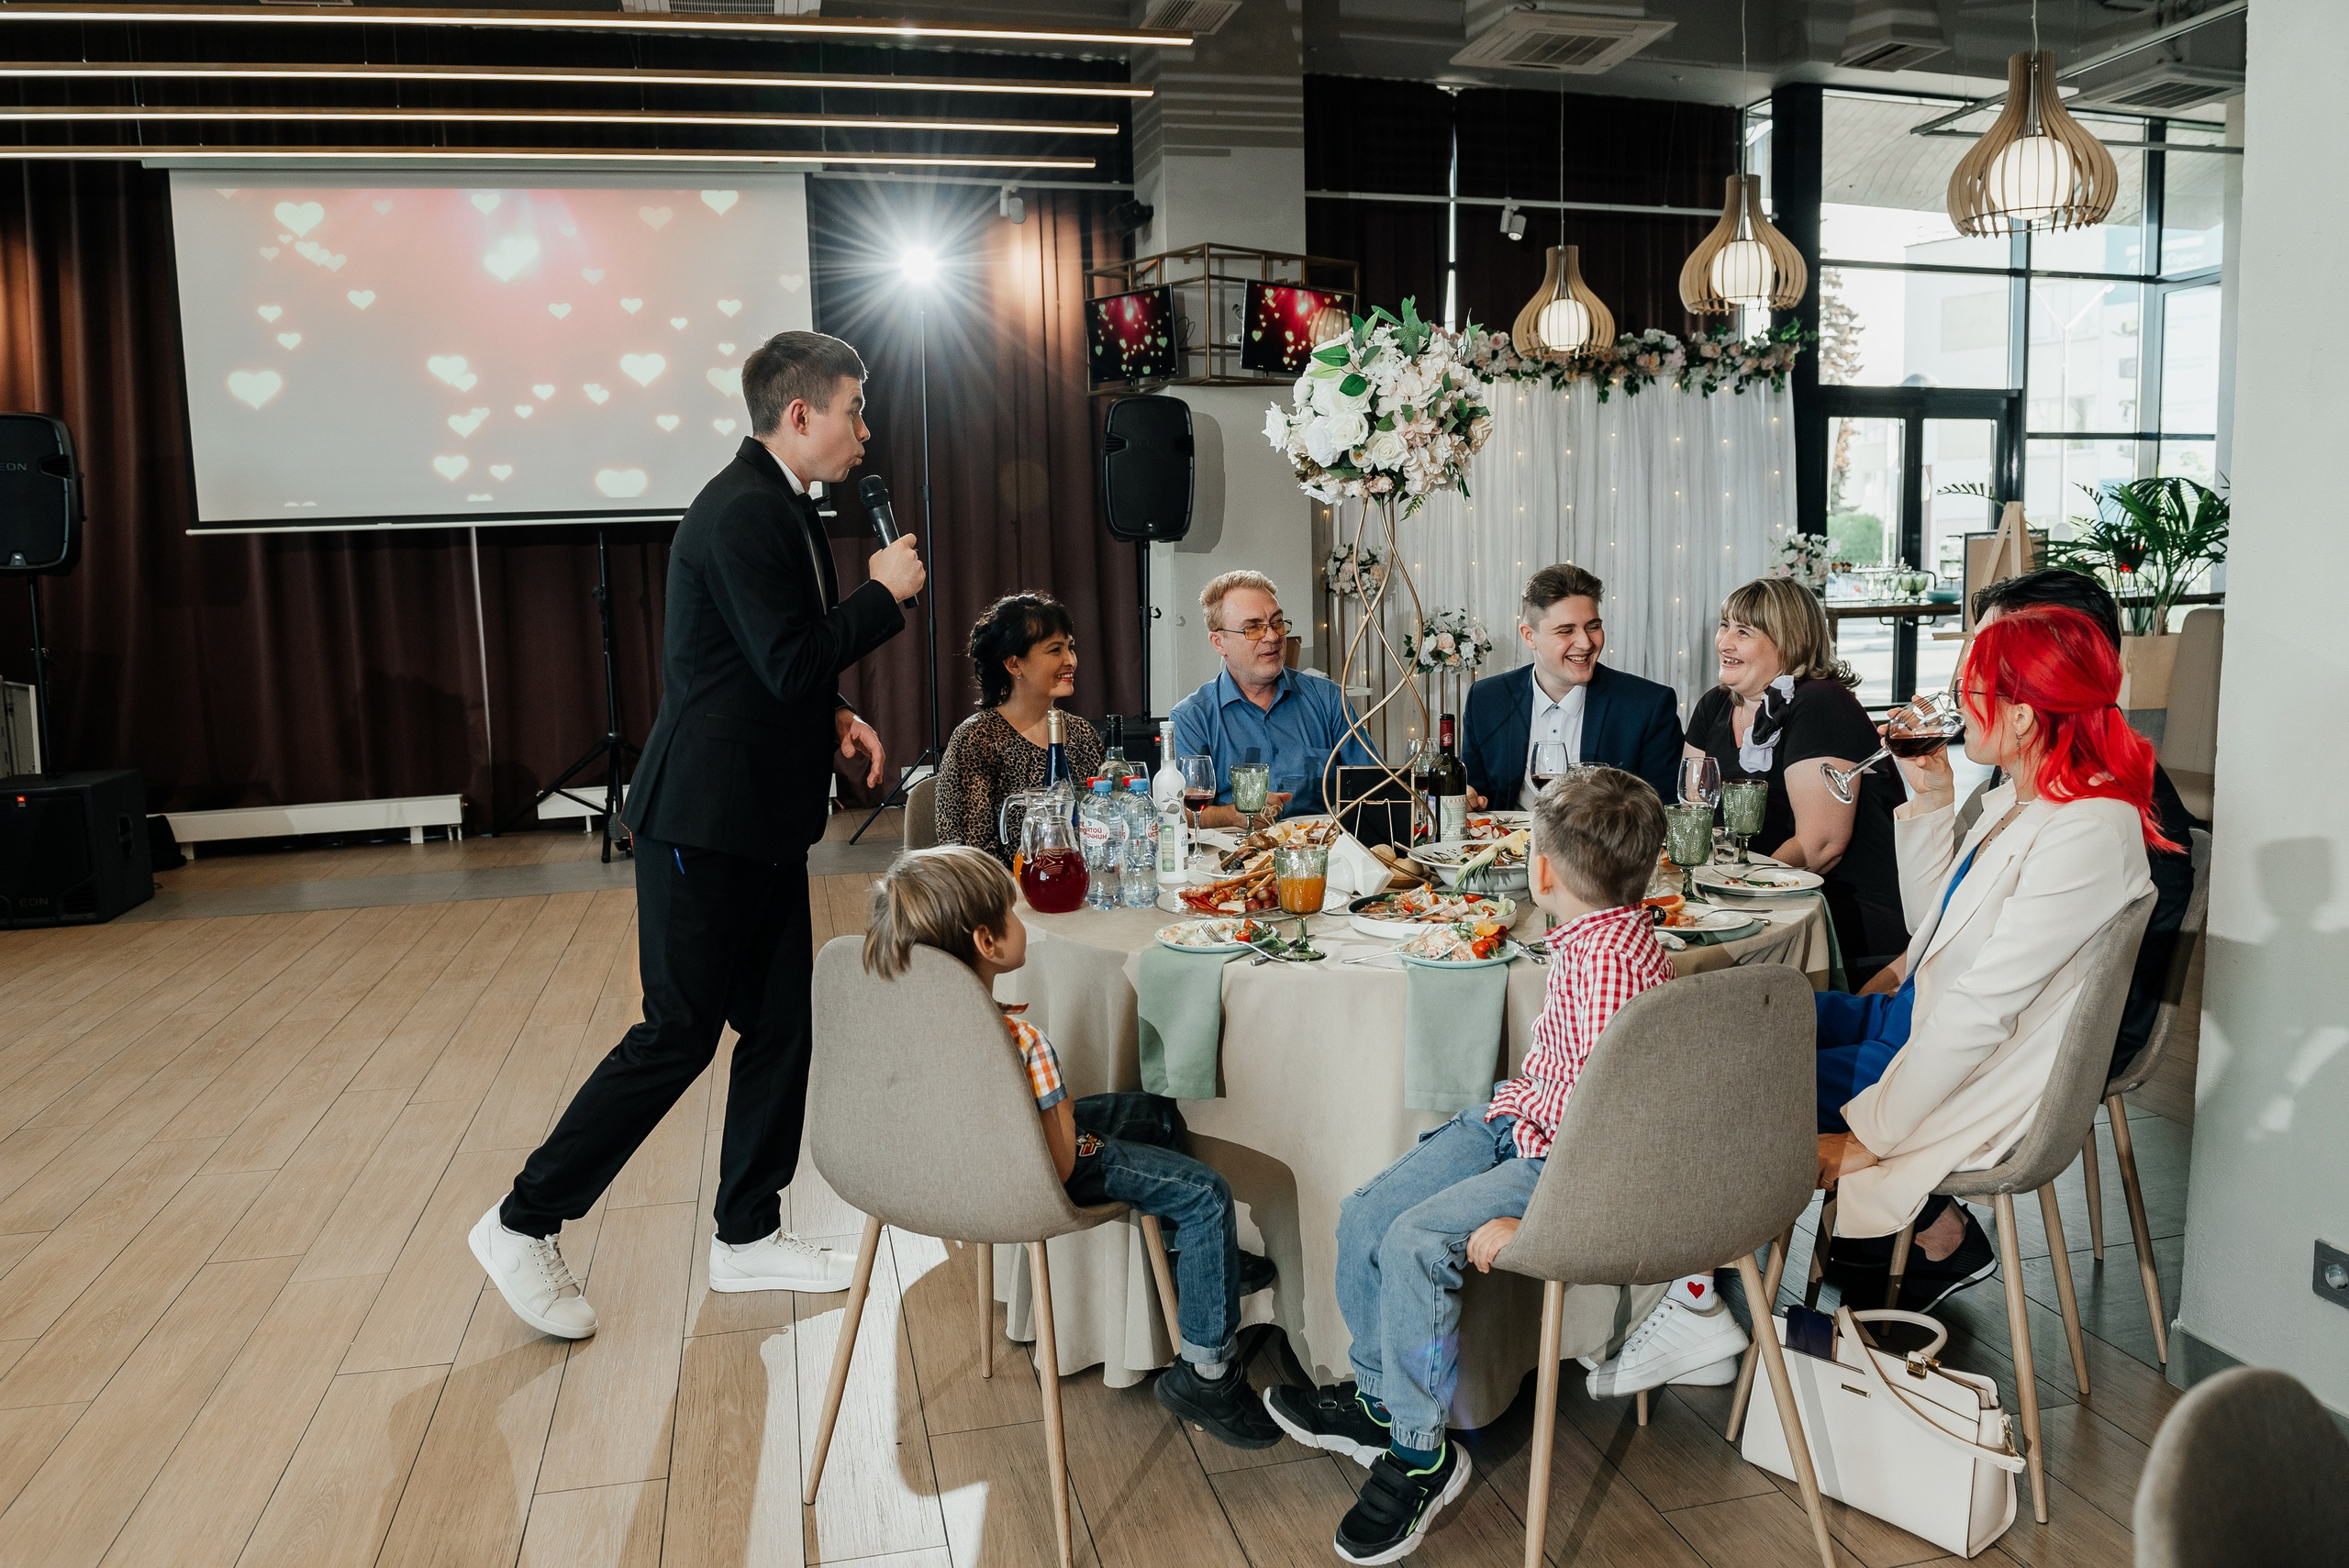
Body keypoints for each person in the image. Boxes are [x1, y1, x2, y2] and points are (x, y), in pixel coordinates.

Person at [471, 330, 927, 1338]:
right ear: (800, 414)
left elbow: (755, 658)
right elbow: (784, 658)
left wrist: (833, 711)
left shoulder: (781, 503)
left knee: (781, 1022)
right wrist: (881, 597)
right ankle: (521, 1220)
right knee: (677, 1033)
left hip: (757, 817)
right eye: (854, 408)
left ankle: (747, 1233)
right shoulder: (742, 510)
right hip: (704, 822)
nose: (866, 429)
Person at [1262, 769, 1747, 1566]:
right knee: (1365, 1214)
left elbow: (1607, 1128)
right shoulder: (1600, 935)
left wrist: (1538, 1215)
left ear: (1542, 872)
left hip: (1558, 1157)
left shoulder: (1609, 968)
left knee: (1415, 1241)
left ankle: (1421, 1452)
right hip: (1519, 1117)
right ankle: (1382, 1398)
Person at [863, 845, 1283, 1449]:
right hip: (1033, 1175)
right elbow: (1060, 1163)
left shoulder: (912, 1022)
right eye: (1011, 913)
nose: (1020, 920)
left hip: (960, 1163)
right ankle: (1207, 1374)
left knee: (1152, 1114)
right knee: (1206, 1195)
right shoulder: (1022, 1043)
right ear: (987, 941)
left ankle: (1196, 1269)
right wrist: (1073, 1122)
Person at [1812, 606, 2167, 1310]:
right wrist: (1933, 796)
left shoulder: (2087, 830)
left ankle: (1693, 1294)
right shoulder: (2019, 797)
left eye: (1968, 689)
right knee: (1748, 1014)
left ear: (2026, 717)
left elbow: (1981, 1012)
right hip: (1912, 1014)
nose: (1952, 702)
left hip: (1945, 1052)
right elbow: (1934, 928)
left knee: (1734, 1070)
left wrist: (1871, 1135)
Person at [1851, 569, 2199, 1083]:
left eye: (1987, 655)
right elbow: (1941, 920)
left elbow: (2010, 1000)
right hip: (1947, 1013)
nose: (1960, 681)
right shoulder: (2025, 773)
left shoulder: (2099, 814)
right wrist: (1933, 798)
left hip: (2021, 1050)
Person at [1684, 576, 1909, 979]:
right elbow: (1694, 816)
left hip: (1833, 919)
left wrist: (1726, 895)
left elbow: (1821, 847)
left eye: (1744, 632)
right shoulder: (1714, 706)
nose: (1724, 642)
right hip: (1743, 904)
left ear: (1787, 643)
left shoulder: (1821, 702)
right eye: (1724, 626)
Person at [1460, 562, 1683, 807]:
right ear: (1529, 636)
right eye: (1566, 631)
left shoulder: (1648, 705)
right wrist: (1467, 797)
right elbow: (1474, 793)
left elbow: (1662, 810)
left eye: (1593, 627)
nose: (1586, 643)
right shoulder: (1486, 699)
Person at [1167, 570, 1377, 828]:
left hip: (1320, 845)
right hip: (1234, 849)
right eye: (1253, 628)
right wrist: (1234, 814)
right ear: (1219, 642)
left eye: (1277, 623)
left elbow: (1376, 788)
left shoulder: (1328, 699)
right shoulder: (1192, 717)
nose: (1273, 637)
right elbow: (1180, 811)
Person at [932, 594, 1105, 864]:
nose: (1070, 660)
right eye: (1055, 650)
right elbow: (971, 855)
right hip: (1004, 887)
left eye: (1070, 647)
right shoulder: (977, 739)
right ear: (1013, 664)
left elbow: (1105, 823)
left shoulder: (1082, 734)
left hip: (1083, 881)